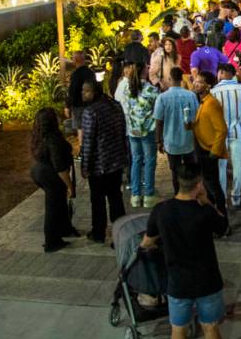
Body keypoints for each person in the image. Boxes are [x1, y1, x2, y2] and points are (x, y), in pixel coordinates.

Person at [142, 164, 228, 339]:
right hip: (208, 280)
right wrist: (208, 202)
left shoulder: (161, 210)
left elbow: (147, 242)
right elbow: (223, 226)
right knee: (211, 328)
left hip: (178, 281)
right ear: (199, 185)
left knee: (178, 330)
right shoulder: (205, 212)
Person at [79, 80, 128, 244]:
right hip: (116, 161)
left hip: (99, 166)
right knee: (116, 197)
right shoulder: (115, 105)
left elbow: (88, 142)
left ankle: (98, 232)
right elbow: (122, 132)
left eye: (86, 91)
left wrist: (84, 166)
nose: (83, 94)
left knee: (98, 201)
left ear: (94, 92)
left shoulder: (90, 112)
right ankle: (120, 233)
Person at [29, 108, 78, 253]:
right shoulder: (53, 139)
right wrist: (70, 186)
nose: (59, 118)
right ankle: (52, 241)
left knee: (59, 203)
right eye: (56, 117)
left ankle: (65, 229)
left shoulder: (40, 135)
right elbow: (59, 167)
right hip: (50, 175)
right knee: (53, 207)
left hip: (39, 171)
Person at [115, 61, 161, 208]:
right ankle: (148, 195)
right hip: (148, 131)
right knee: (149, 162)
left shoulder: (128, 89)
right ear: (144, 72)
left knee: (135, 161)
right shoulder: (151, 90)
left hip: (132, 130)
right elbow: (158, 111)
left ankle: (135, 195)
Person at [212, 63, 241, 208]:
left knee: (221, 166)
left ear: (222, 72)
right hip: (238, 131)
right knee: (238, 164)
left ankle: (222, 198)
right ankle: (236, 196)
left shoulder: (214, 91)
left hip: (219, 133)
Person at [154, 66, 200, 194]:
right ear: (182, 79)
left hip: (171, 141)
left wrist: (158, 141)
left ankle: (178, 195)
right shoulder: (191, 95)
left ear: (169, 78)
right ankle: (192, 194)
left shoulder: (162, 98)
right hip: (189, 140)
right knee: (191, 171)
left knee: (175, 172)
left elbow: (159, 121)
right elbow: (197, 117)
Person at [192, 71, 230, 222]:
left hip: (208, 151)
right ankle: (213, 218)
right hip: (202, 148)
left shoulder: (212, 103)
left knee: (213, 188)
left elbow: (222, 129)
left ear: (208, 86)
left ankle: (222, 221)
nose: (195, 83)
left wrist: (214, 152)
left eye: (200, 82)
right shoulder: (203, 101)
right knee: (208, 187)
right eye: (196, 80)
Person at [64, 50, 96, 135]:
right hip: (91, 104)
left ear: (75, 60)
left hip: (78, 106)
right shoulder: (91, 72)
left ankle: (82, 146)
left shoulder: (75, 75)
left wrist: (67, 106)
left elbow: (72, 91)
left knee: (80, 128)